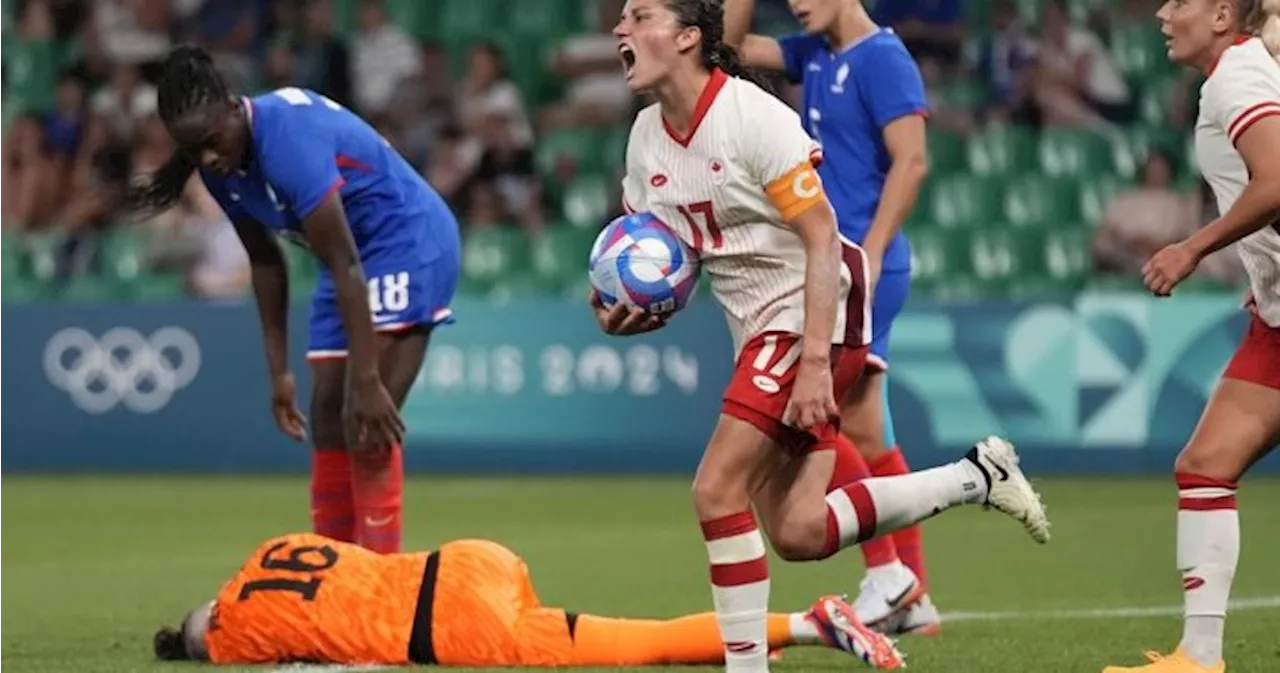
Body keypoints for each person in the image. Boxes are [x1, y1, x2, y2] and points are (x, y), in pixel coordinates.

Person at [599, 1, 1050, 671]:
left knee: (716, 490)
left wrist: (814, 362)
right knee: (799, 530)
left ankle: (747, 665)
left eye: (640, 15)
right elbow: (660, 253)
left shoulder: (752, 118)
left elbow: (818, 236)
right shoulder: (645, 138)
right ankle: (975, 476)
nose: (619, 28)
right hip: (757, 326)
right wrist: (624, 303)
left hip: (819, 308)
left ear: (689, 36)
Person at [122, 46, 462, 555]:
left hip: (405, 245)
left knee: (363, 420)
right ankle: (331, 576)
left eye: (213, 142)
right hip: (343, 260)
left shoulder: (288, 142)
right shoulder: (220, 168)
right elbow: (264, 262)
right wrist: (278, 371)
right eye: (195, 152)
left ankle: (378, 583)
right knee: (326, 416)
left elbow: (347, 263)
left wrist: (368, 379)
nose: (209, 158)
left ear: (234, 107)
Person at [723, 0, 938, 634]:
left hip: (860, 268)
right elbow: (729, 50)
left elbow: (913, 160)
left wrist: (867, 253)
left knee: (806, 408)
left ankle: (889, 577)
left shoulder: (884, 59)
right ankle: (911, 594)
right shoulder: (815, 50)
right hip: (835, 266)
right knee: (867, 433)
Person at [1104, 1, 1280, 672]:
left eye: (1179, 2)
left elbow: (1277, 179)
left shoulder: (1237, 78)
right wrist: (1266, 271)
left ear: (1220, 15)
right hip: (1276, 316)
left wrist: (1192, 248)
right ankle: (1199, 656)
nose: (1162, 12)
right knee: (1206, 463)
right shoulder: (1242, 69)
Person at [152, 532, 891, 666]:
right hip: (470, 558)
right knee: (636, 638)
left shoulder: (232, 640)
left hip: (452, 626)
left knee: (640, 642)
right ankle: (806, 621)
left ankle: (805, 622)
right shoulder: (271, 549)